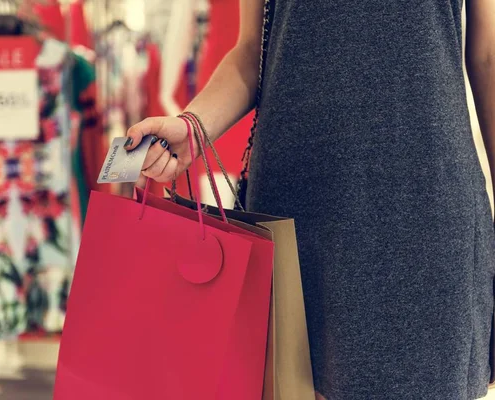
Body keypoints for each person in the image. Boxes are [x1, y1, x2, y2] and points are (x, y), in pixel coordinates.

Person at [124, 0, 495, 399]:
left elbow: (488, 57)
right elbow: (252, 53)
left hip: (428, 206)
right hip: (297, 215)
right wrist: (192, 127)